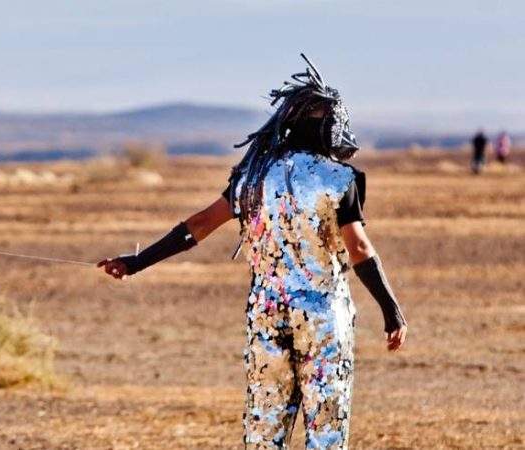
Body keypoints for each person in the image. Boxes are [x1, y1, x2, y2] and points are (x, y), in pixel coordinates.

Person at [98, 55, 407, 449]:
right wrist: (391, 309)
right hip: (323, 318)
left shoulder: (252, 178)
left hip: (266, 313)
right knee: (326, 426)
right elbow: (359, 246)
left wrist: (137, 262)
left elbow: (198, 226)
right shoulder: (338, 179)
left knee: (265, 427)